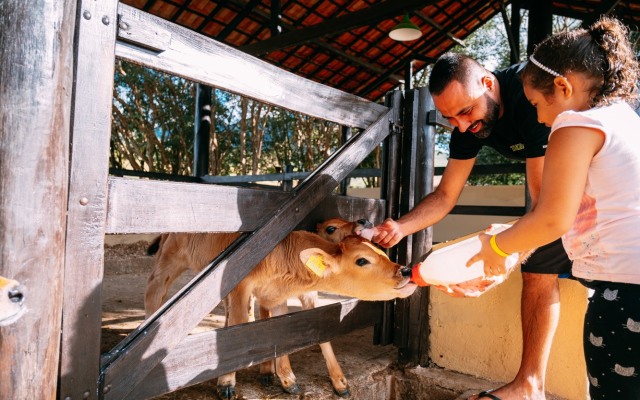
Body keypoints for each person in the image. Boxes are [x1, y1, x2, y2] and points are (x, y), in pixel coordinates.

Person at [370, 52, 573, 399]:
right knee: (538, 262)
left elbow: (542, 207)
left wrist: (501, 255)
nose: (461, 125)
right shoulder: (466, 127)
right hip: (566, 189)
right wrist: (401, 227)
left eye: (465, 112)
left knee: (539, 259)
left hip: (601, 174)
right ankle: (530, 386)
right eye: (450, 118)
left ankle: (529, 386)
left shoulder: (531, 98)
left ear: (489, 84)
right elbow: (445, 195)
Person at [468, 16, 640, 400]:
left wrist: (497, 249)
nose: (540, 118)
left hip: (625, 296)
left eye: (535, 105)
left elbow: (552, 218)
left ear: (562, 86)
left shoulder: (576, 125)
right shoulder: (627, 121)